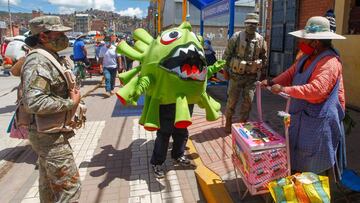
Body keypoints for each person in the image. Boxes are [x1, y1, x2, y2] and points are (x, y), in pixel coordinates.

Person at [261, 16, 346, 179]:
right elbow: (292, 72)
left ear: (316, 42)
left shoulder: (330, 62)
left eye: (305, 39)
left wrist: (284, 89)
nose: (301, 41)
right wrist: (272, 82)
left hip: (319, 123)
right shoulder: (306, 57)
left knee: (314, 169)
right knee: (297, 156)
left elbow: (317, 91)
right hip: (301, 118)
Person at [22, 16, 81, 202]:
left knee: (48, 185)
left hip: (49, 132)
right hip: (49, 136)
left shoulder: (49, 57)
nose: (65, 37)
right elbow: (34, 101)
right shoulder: (38, 61)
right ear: (43, 37)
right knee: (69, 188)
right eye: (60, 33)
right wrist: (70, 103)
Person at [222, 13, 267, 133]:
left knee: (248, 101)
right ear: (245, 24)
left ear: (258, 25)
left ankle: (242, 123)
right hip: (235, 77)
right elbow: (226, 56)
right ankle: (228, 120)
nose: (251, 26)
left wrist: (263, 73)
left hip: (251, 78)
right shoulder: (236, 37)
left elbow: (264, 57)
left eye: (254, 24)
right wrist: (225, 71)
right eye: (249, 23)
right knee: (232, 100)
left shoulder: (261, 40)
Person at [150, 104, 193, 178]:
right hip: (166, 104)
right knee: (163, 136)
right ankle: (156, 163)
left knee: (181, 133)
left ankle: (178, 155)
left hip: (184, 105)